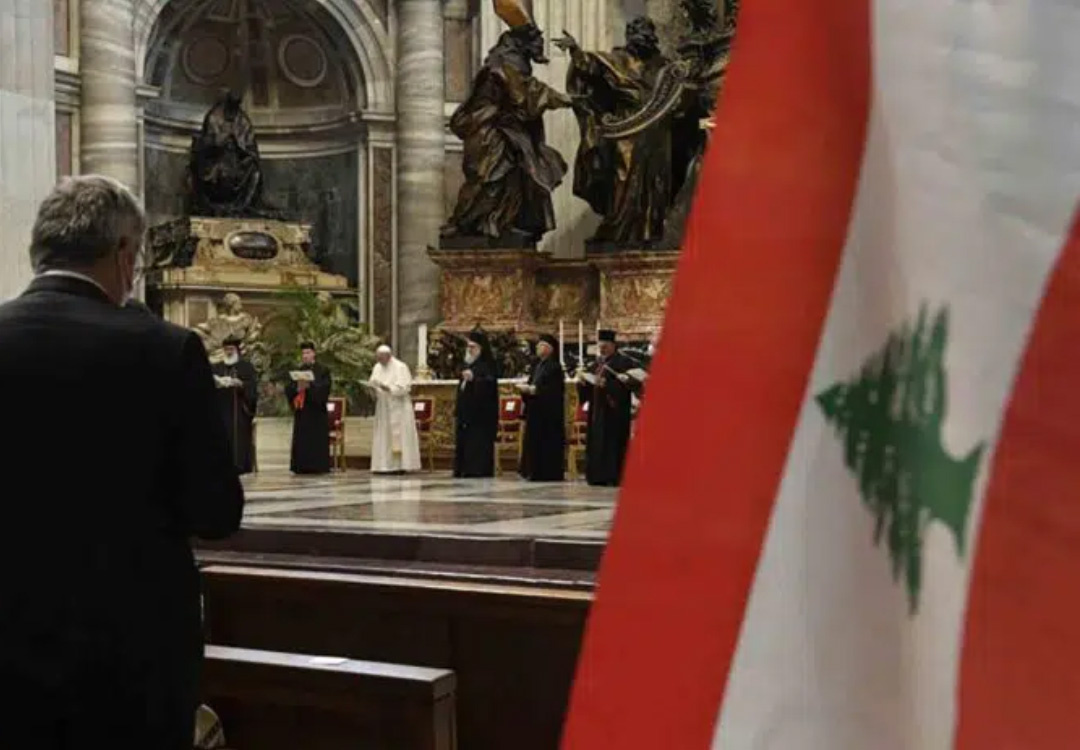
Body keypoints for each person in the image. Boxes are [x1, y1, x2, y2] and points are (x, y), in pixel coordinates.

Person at [0, 175, 244, 748]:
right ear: (125, 254)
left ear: (39, 251)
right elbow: (215, 511)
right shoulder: (165, 349)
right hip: (131, 653)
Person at [577, 329, 641, 486]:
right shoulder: (597, 363)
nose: (602, 349)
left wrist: (608, 385)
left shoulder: (623, 362)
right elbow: (588, 386)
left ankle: (613, 475)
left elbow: (632, 385)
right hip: (597, 410)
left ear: (613, 345)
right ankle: (596, 475)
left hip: (614, 411)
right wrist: (583, 383)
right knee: (597, 442)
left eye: (605, 346)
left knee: (613, 443)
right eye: (600, 346)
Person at [519, 334, 567, 481]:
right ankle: (532, 470)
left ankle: (546, 472)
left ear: (550, 349)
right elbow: (531, 383)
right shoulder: (536, 365)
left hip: (549, 414)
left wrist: (535, 390)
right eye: (538, 345)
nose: (538, 347)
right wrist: (526, 390)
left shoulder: (554, 367)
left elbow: (554, 391)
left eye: (541, 345)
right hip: (535, 411)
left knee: (547, 443)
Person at [369, 345, 422, 474]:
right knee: (384, 436)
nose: (380, 361)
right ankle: (383, 465)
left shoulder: (400, 367)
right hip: (383, 408)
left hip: (399, 407)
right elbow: (373, 381)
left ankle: (399, 466)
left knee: (399, 436)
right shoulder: (377, 367)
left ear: (388, 356)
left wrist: (389, 388)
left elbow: (405, 388)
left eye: (382, 358)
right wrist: (373, 387)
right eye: (378, 358)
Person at [454, 331, 499, 478]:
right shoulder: (466, 365)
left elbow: (489, 385)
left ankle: (477, 469)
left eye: (473, 347)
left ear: (481, 349)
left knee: (478, 442)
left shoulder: (487, 365)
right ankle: (463, 468)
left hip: (481, 415)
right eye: (468, 347)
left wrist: (475, 379)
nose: (469, 350)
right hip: (466, 412)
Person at [212, 335, 259, 474]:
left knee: (238, 435)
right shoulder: (216, 367)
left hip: (240, 411)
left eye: (231, 349)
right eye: (226, 349)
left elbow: (253, 388)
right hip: (221, 409)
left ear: (237, 350)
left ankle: (240, 465)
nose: (229, 352)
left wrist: (241, 384)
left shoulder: (246, 367)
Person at [284, 342, 332, 475]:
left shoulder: (323, 370)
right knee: (302, 440)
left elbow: (325, 389)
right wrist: (297, 389)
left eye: (308, 353)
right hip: (302, 412)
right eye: (303, 353)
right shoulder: (298, 370)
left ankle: (318, 466)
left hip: (316, 412)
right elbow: (289, 389)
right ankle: (301, 466)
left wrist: (310, 387)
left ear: (314, 353)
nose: (305, 356)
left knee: (316, 440)